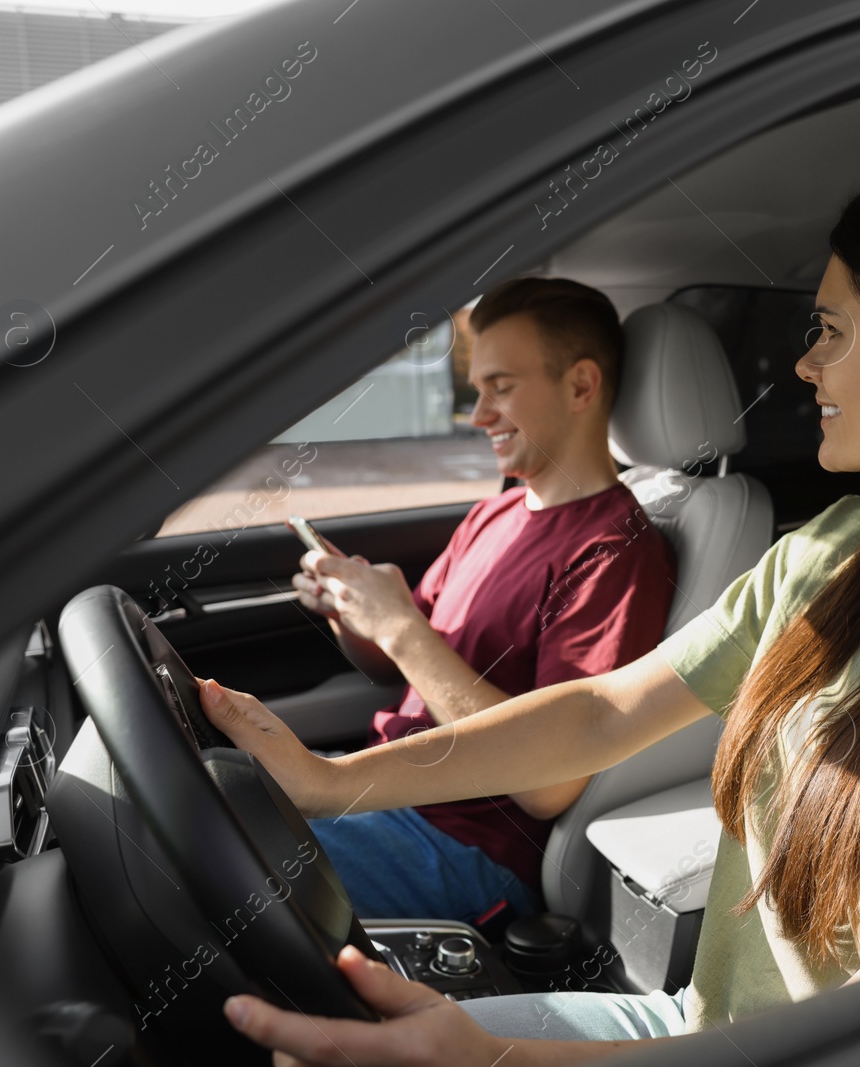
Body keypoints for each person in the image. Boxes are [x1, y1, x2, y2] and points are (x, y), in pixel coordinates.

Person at [196, 160, 860, 1065]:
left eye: (828, 331)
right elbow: (603, 712)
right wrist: (330, 784)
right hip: (694, 1026)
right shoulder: (838, 550)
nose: (801, 367)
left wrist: (498, 1058)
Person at [290, 276, 676, 926]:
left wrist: (400, 624)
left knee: (193, 840)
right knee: (209, 785)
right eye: (479, 389)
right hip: (384, 790)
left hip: (462, 846)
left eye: (502, 387)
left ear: (581, 386)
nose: (478, 415)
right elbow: (405, 663)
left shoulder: (614, 549)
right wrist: (353, 611)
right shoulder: (492, 514)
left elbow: (548, 781)